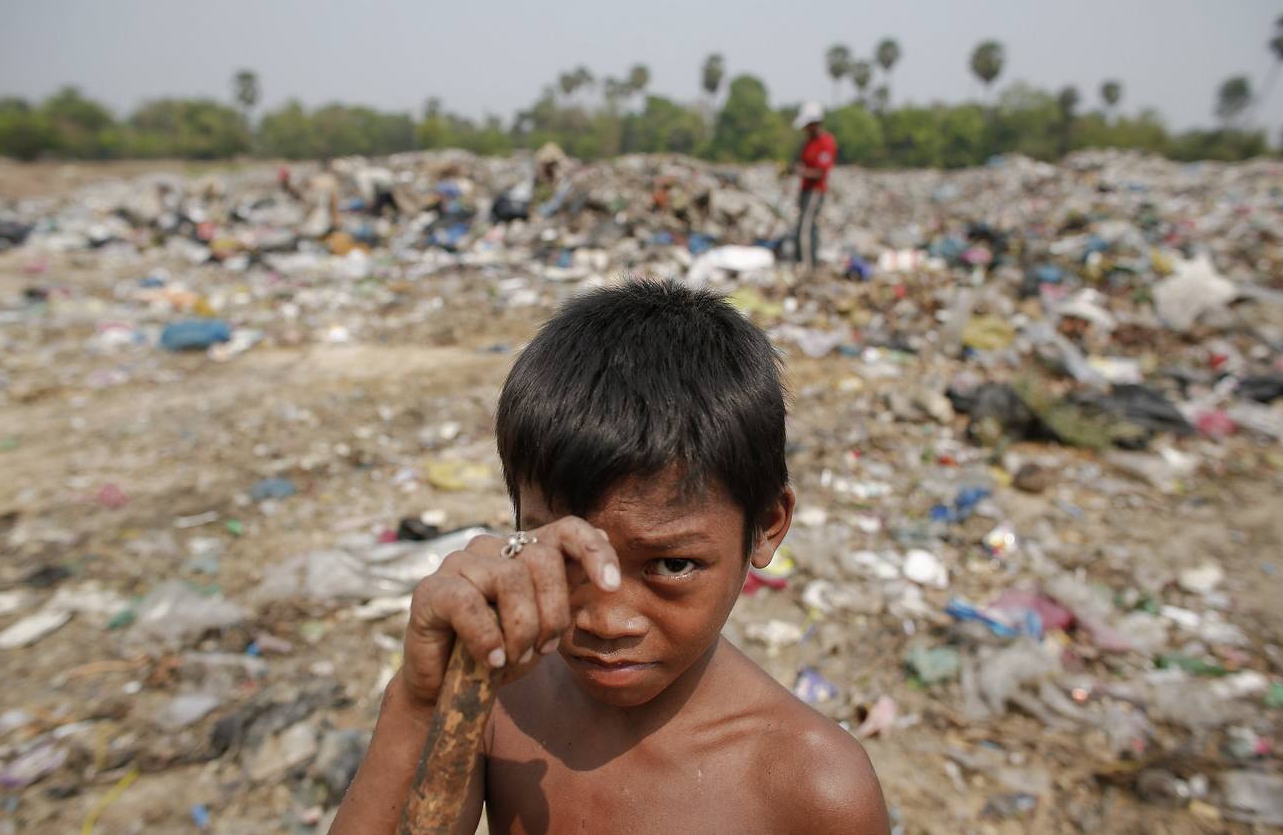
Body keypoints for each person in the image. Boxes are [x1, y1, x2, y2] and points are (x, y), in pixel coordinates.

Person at [331, 280, 888, 834]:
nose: (605, 620)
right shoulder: (501, 694)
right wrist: (419, 702)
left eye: (671, 565)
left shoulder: (811, 788)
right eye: (570, 558)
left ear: (766, 527)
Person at [789, 101, 837, 270]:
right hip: (805, 189)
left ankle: (807, 267)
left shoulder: (826, 142)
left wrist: (802, 172)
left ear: (815, 123)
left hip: (816, 191)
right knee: (805, 226)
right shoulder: (808, 143)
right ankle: (803, 261)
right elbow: (801, 162)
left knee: (806, 228)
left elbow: (821, 172)